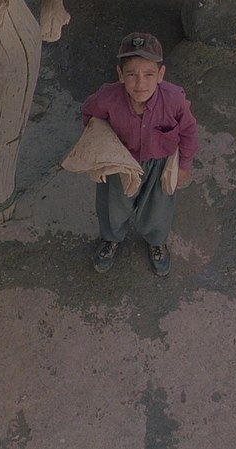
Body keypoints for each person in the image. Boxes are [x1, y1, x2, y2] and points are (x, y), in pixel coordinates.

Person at [81, 32, 199, 276]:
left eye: (149, 74)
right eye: (132, 74)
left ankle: (156, 242)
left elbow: (188, 131)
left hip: (160, 164)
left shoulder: (174, 99)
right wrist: (99, 151)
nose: (140, 83)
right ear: (120, 74)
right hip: (121, 163)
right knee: (113, 206)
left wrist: (184, 166)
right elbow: (90, 117)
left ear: (161, 74)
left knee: (158, 207)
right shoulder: (107, 98)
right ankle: (111, 238)